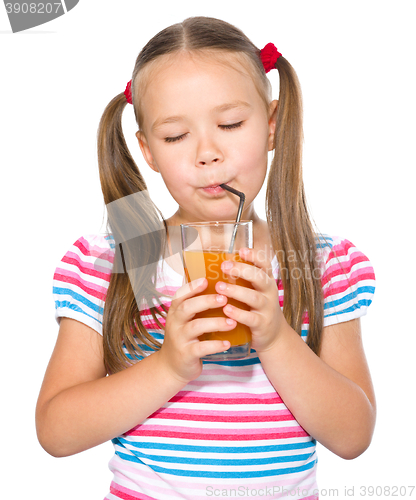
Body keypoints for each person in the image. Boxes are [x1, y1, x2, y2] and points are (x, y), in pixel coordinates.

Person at [36, 16, 376, 500]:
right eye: (175, 136)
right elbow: (56, 431)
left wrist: (277, 336)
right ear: (148, 151)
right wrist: (169, 366)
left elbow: (353, 436)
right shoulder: (111, 262)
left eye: (231, 124)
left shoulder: (323, 267)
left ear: (273, 124)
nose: (208, 153)